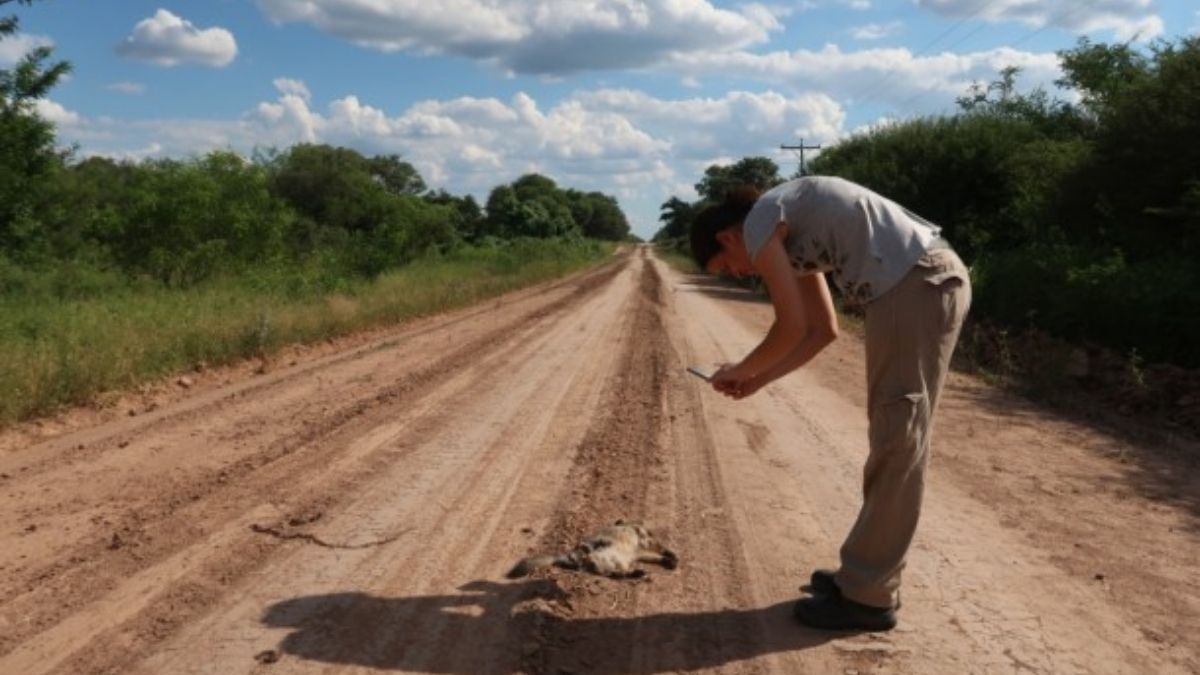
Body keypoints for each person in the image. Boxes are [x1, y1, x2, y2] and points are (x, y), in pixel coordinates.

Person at [690, 175, 971, 631]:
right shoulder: (789, 225)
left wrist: (741, 367)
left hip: (916, 285)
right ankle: (860, 576)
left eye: (727, 267)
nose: (741, 274)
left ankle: (868, 596)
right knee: (895, 439)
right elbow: (821, 329)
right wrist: (757, 380)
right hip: (916, 285)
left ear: (727, 237)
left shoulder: (763, 218)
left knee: (897, 441)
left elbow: (789, 325)